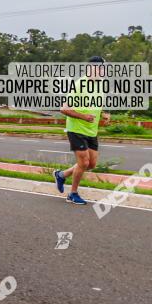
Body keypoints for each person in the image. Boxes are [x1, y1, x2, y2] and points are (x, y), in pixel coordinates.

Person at [53, 56, 111, 205]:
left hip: (91, 131)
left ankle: (61, 175)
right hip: (76, 129)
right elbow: (64, 108)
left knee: (91, 164)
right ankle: (73, 194)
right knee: (83, 163)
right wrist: (84, 116)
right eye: (101, 68)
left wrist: (103, 114)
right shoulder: (79, 85)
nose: (104, 71)